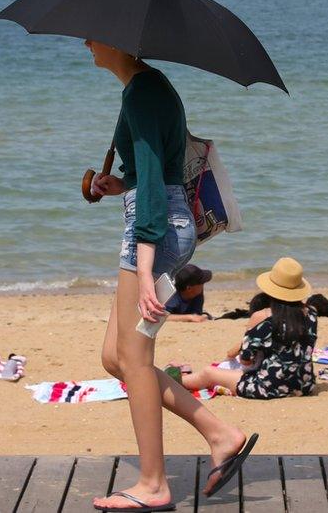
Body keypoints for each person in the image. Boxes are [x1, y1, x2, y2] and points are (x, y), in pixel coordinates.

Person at [84, 40, 254, 511]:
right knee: (115, 358)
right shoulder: (147, 87)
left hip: (153, 229)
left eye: (92, 34)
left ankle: (154, 484)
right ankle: (219, 432)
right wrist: (121, 182)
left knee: (135, 360)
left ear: (115, 40)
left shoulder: (142, 92)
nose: (85, 43)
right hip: (155, 219)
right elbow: (152, 171)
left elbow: (157, 183)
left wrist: (144, 270)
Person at [179, 258, 318, 399]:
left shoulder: (263, 316)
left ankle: (175, 380)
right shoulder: (311, 313)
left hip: (270, 386)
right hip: (305, 384)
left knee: (209, 373)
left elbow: (246, 359)